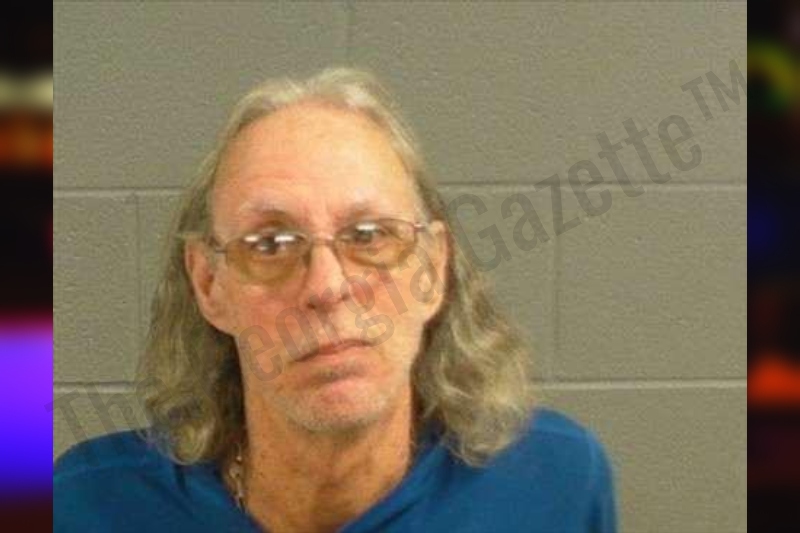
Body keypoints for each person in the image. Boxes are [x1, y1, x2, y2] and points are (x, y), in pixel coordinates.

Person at [54, 68, 617, 533]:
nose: (326, 287)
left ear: (432, 269)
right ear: (209, 284)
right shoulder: (90, 506)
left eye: (369, 236)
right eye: (270, 244)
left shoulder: (554, 484)